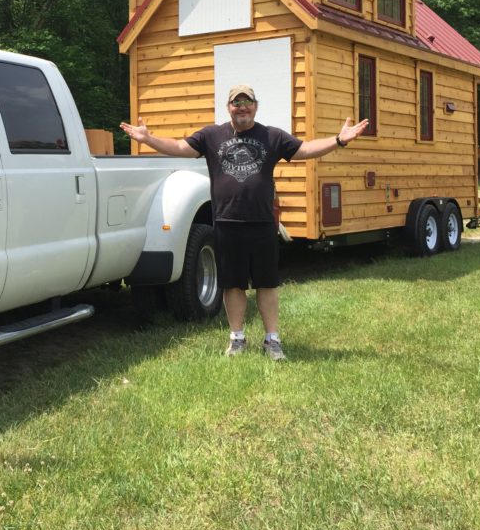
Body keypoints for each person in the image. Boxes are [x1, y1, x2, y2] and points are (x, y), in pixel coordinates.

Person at [120, 85, 369, 360]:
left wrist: (339, 139)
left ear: (255, 106)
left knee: (267, 283)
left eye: (247, 102)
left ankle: (272, 339)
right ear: (228, 107)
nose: (242, 107)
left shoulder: (271, 135)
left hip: (262, 223)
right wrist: (148, 139)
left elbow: (306, 149)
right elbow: (180, 147)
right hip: (226, 223)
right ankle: (237, 338)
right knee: (233, 284)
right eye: (236, 103)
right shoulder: (211, 135)